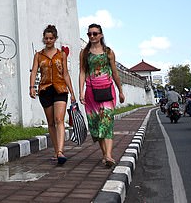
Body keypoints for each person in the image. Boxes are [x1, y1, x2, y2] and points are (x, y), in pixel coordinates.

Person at [78, 23, 125, 168]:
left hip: (107, 91)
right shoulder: (84, 53)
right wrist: (81, 91)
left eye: (95, 33)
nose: (92, 36)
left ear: (101, 35)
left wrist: (121, 90)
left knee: (107, 122)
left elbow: (115, 73)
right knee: (96, 124)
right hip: (91, 92)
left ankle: (109, 155)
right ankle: (105, 154)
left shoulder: (108, 52)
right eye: (89, 34)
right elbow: (82, 72)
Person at [29, 25, 76, 165]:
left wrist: (72, 92)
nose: (48, 40)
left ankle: (61, 151)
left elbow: (66, 74)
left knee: (59, 119)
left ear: (55, 39)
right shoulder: (38, 55)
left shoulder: (61, 54)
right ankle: (56, 151)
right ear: (44, 38)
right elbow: (34, 72)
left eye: (51, 38)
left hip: (60, 89)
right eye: (46, 38)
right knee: (50, 122)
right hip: (45, 90)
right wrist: (32, 87)